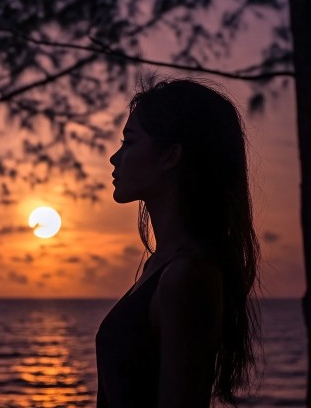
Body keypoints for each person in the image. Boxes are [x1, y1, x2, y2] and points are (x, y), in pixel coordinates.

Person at [95, 77, 264, 408]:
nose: (115, 158)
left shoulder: (186, 275)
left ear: (170, 156)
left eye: (129, 143)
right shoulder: (159, 267)